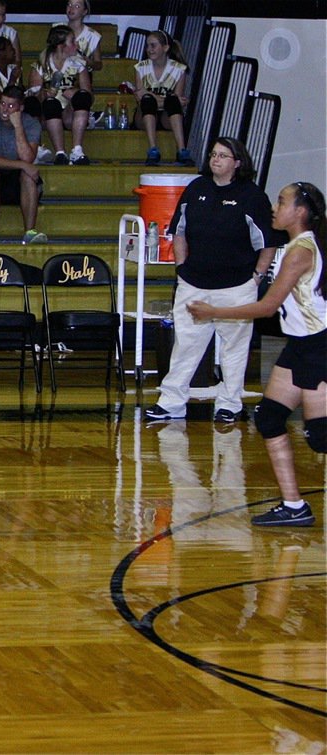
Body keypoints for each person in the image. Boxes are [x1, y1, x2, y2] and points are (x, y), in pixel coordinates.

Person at [188, 182, 325, 527]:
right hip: (299, 345)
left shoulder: (300, 251)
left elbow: (267, 307)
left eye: (281, 202)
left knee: (322, 438)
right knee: (268, 418)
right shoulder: (295, 246)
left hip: (319, 346)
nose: (275, 208)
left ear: (300, 212)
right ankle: (294, 507)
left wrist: (213, 311)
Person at [144, 138, 277, 423]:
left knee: (234, 350)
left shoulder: (252, 196)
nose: (215, 159)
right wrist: (181, 267)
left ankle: (229, 404)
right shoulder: (196, 189)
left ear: (237, 162)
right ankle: (171, 403)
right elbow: (178, 231)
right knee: (185, 346)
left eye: (223, 155)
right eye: (213, 154)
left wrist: (257, 278)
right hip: (193, 283)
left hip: (237, 287)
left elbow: (267, 243)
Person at [0, 85, 46, 245]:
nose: (5, 110)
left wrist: (18, 126)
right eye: (2, 104)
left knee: (28, 176)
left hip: (17, 179)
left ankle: (30, 232)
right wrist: (22, 165)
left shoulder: (32, 124)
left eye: (11, 105)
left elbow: (28, 158)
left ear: (21, 108)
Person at [26, 25, 92, 166]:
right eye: (72, 41)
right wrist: (44, 93)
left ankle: (77, 150)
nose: (76, 44)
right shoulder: (41, 65)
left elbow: (89, 96)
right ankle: (60, 153)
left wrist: (74, 93)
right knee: (50, 103)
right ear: (61, 46)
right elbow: (32, 97)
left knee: (82, 97)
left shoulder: (79, 64)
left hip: (69, 114)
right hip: (47, 115)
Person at [134, 29, 194, 167]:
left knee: (170, 101)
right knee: (148, 101)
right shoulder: (140, 68)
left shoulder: (179, 69)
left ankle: (181, 150)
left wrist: (158, 98)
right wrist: (163, 99)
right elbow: (140, 99)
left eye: (153, 45)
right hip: (145, 115)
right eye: (147, 46)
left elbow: (177, 101)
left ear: (165, 48)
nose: (149, 49)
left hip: (167, 116)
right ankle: (153, 150)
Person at [63, 0, 102, 72]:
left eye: (77, 6)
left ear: (84, 12)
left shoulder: (92, 36)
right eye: (69, 5)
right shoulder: (57, 30)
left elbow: (99, 64)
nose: (71, 8)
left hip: (83, 78)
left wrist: (89, 62)